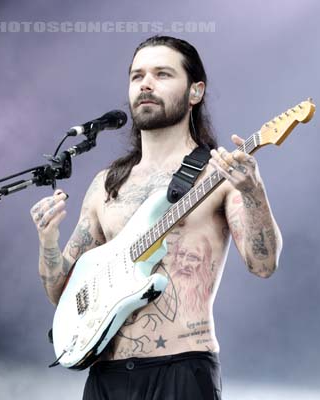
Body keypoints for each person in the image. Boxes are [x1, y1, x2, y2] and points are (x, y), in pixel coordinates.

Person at [29, 35, 282, 399]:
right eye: (137, 76)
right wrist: (47, 241)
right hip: (107, 376)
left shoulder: (217, 175)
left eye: (162, 74)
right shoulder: (105, 186)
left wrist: (253, 190)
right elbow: (61, 293)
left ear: (195, 92)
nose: (145, 84)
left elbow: (263, 265)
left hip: (181, 370)